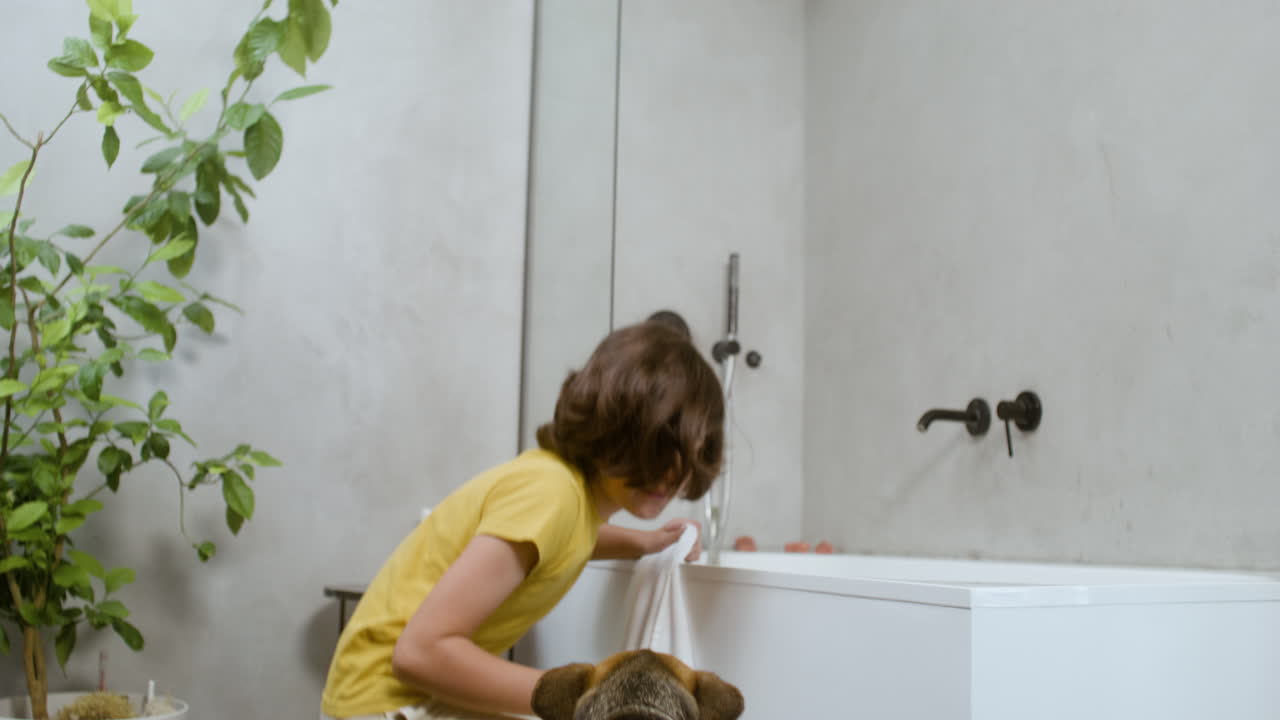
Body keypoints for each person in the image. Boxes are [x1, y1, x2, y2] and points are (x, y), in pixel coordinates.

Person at [321, 319, 725, 720]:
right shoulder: (550, 493)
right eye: (658, 444)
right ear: (614, 425)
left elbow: (566, 538)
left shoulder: (566, 500)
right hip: (384, 704)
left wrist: (644, 543)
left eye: (690, 448)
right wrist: (589, 698)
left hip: (397, 696)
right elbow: (420, 653)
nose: (673, 470)